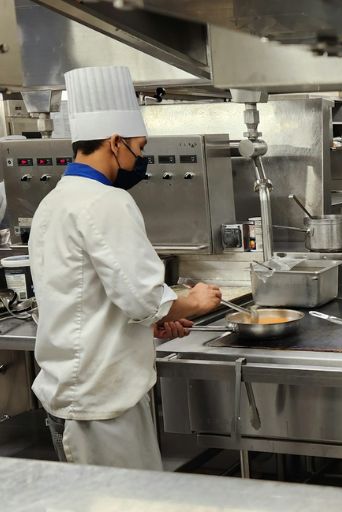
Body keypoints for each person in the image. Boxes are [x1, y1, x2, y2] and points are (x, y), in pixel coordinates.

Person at [28, 66, 222, 470]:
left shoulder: (55, 200)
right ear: (115, 142)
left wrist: (143, 327)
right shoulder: (106, 201)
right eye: (139, 147)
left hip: (75, 393)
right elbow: (145, 300)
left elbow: (85, 297)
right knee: (123, 499)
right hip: (101, 405)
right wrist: (196, 301)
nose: (141, 159)